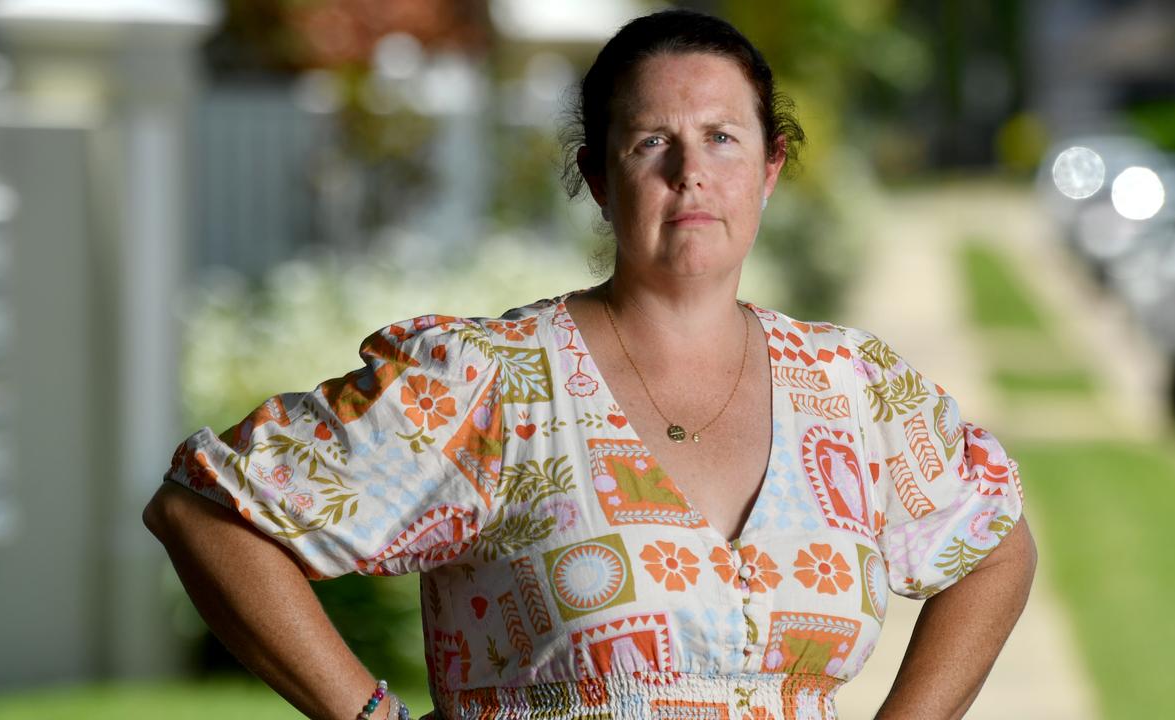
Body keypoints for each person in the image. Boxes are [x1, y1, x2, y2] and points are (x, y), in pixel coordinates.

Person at [143, 9, 1037, 719]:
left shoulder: (853, 389)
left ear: (770, 168)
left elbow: (996, 547)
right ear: (600, 179)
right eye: (652, 142)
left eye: (723, 137)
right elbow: (208, 511)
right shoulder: (491, 384)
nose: (691, 171)